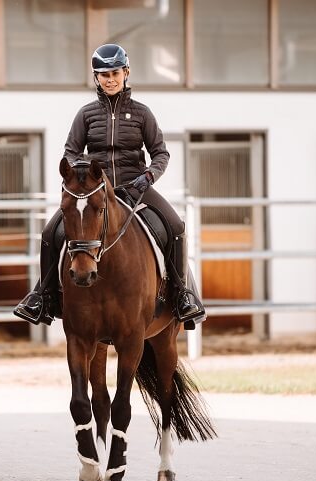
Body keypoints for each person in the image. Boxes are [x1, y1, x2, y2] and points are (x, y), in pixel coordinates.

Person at [14, 43, 205, 327]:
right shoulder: (86, 114)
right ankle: (43, 296)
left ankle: (182, 296)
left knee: (176, 227)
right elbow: (71, 152)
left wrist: (149, 176)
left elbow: (160, 153)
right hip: (95, 191)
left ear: (126, 72)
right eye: (104, 74)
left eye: (115, 72)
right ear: (96, 78)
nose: (110, 79)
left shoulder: (142, 113)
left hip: (136, 187)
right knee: (48, 232)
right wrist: (81, 174)